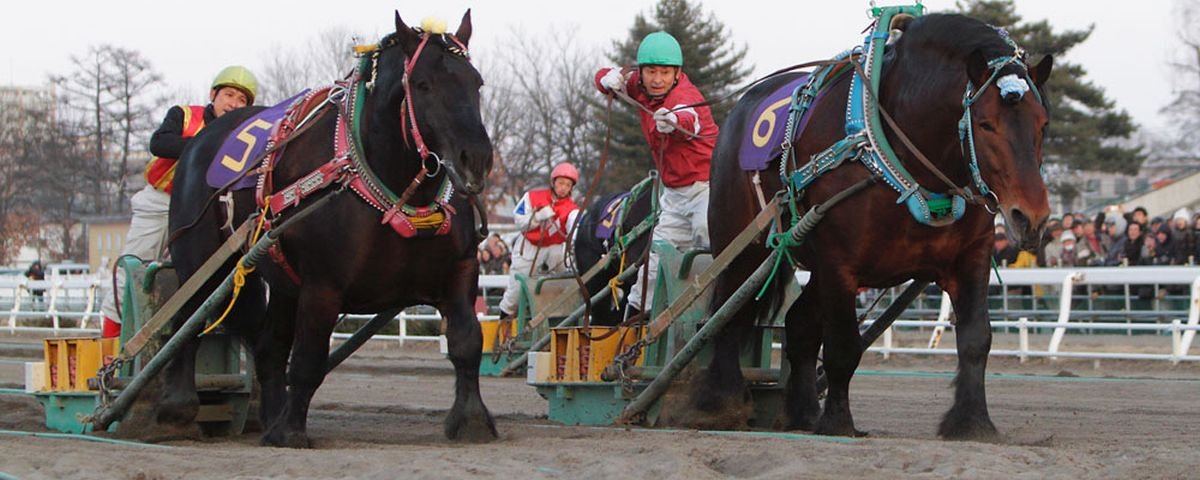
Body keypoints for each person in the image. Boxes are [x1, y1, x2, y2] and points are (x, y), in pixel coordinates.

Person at [98, 66, 258, 338]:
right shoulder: (183, 115)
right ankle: (110, 344)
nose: (233, 104)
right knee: (132, 268)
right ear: (213, 95)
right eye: (228, 95)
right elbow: (159, 144)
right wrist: (208, 144)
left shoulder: (245, 136)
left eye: (242, 100)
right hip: (161, 202)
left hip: (205, 211)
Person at [594, 31, 718, 319]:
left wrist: (674, 120)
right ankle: (635, 322)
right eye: (651, 71)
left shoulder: (687, 97)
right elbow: (607, 77)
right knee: (653, 263)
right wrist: (605, 79)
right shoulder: (638, 84)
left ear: (677, 74)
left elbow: (691, 118)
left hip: (706, 189)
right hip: (673, 195)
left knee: (705, 234)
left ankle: (708, 312)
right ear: (642, 71)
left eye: (664, 72)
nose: (657, 79)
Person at [497, 163, 581, 320]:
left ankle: (559, 324)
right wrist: (536, 218)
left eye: (568, 185)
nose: (563, 188)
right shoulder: (532, 197)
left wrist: (577, 239)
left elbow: (576, 227)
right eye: (561, 183)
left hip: (555, 249)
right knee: (515, 292)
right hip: (529, 247)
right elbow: (519, 219)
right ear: (553, 182)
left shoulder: (572, 209)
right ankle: (504, 322)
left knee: (564, 285)